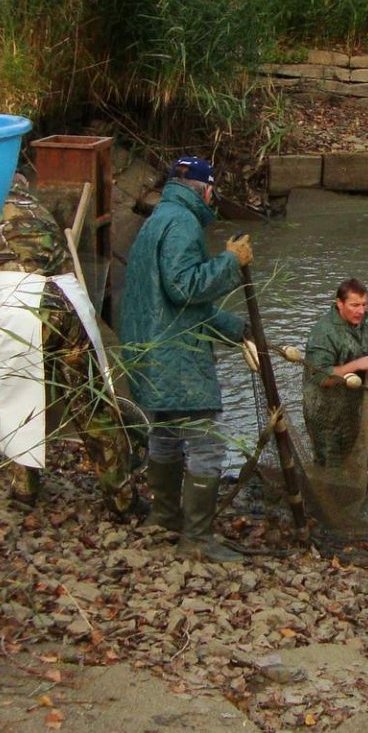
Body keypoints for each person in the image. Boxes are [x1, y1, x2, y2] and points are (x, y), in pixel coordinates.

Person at [117, 155, 253, 561]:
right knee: (205, 444)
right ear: (206, 190)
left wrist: (235, 329)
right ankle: (196, 539)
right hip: (177, 357)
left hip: (150, 350)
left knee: (166, 434)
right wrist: (230, 262)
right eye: (214, 192)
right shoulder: (184, 224)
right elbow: (183, 289)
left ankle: (165, 519)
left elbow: (174, 304)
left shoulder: (158, 219)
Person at [0, 174, 132, 508]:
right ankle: (122, 497)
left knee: (19, 398)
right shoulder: (37, 209)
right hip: (68, 303)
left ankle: (24, 491)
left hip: (22, 308)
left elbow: (1, 275)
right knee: (91, 403)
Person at [302, 278, 368, 466]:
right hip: (324, 413)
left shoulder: (360, 322)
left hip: (351, 407)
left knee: (348, 456)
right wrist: (356, 365)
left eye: (365, 304)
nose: (361, 311)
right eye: (355, 305)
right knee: (328, 462)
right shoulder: (323, 333)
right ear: (339, 304)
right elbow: (322, 377)